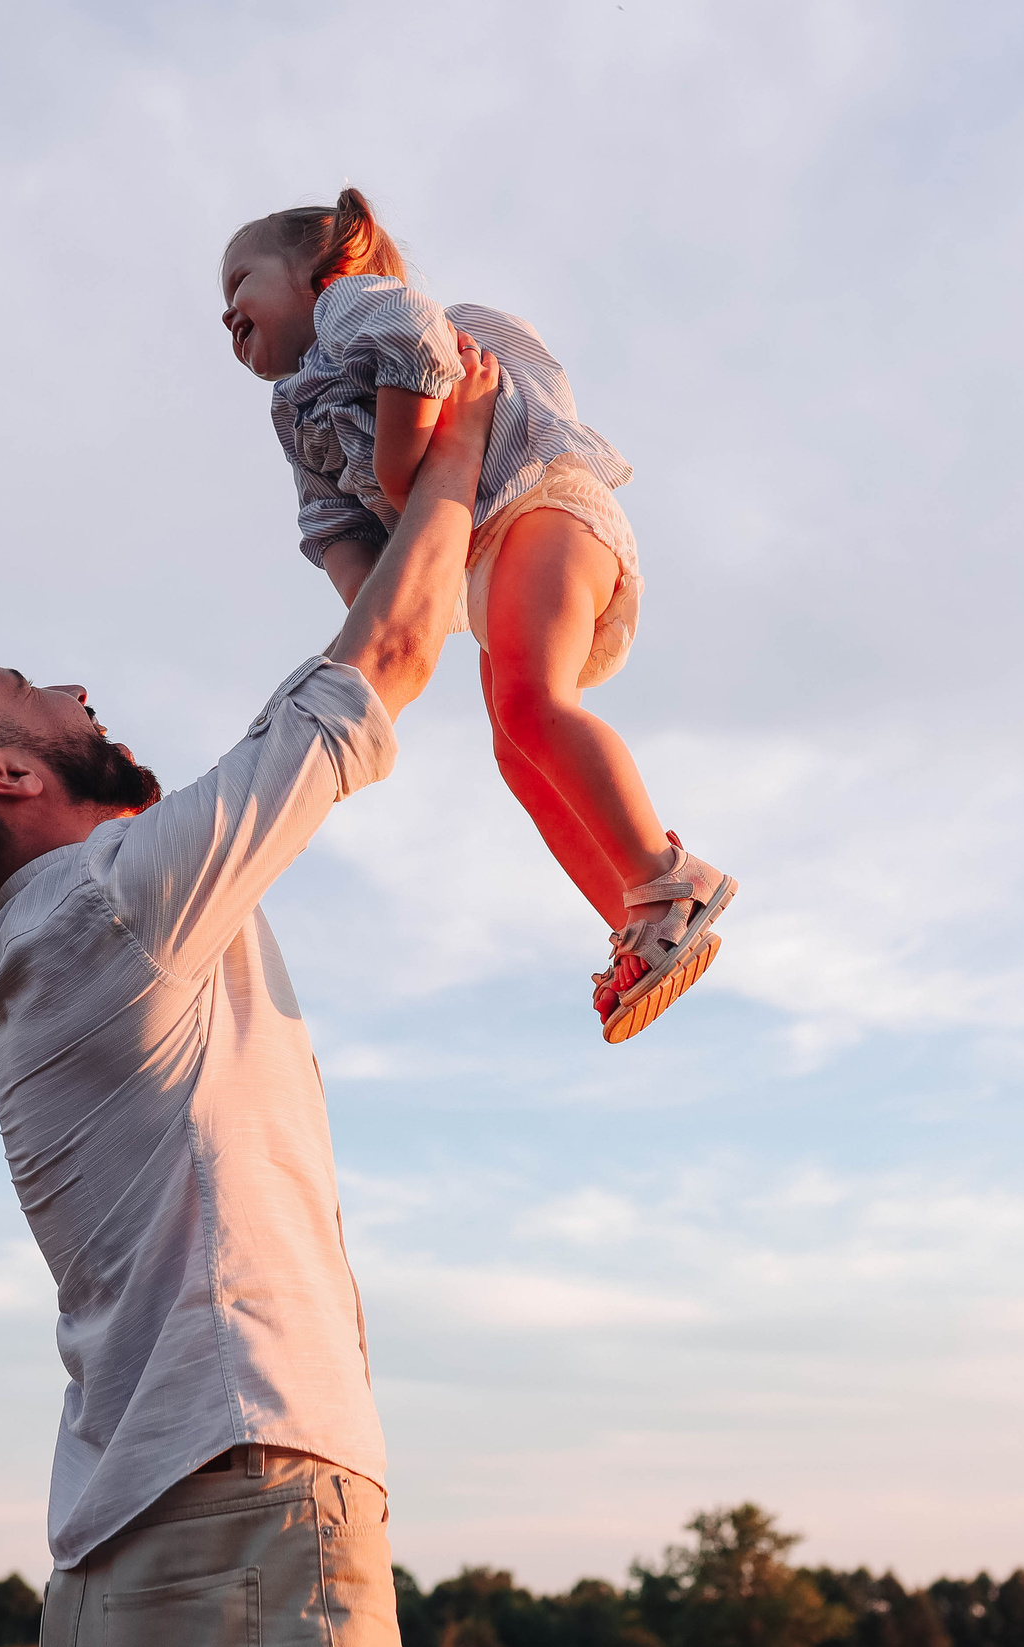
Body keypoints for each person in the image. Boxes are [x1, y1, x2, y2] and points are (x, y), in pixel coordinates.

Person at [0, 344, 505, 1647]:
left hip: (136, 1550)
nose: (77, 690)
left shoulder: (70, 937)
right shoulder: (108, 911)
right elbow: (372, 667)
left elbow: (341, 677)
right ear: (7, 766)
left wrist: (359, 520)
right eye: (35, 688)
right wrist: (472, 437)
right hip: (241, 1509)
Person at [221, 188, 737, 1044]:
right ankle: (641, 924)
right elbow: (330, 527)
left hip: (540, 503)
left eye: (240, 282)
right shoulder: (294, 412)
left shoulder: (354, 305)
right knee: (515, 746)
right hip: (485, 555)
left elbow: (416, 346)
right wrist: (375, 617)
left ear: (321, 269)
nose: (227, 314)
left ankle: (670, 876)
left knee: (536, 704)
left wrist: (400, 475)